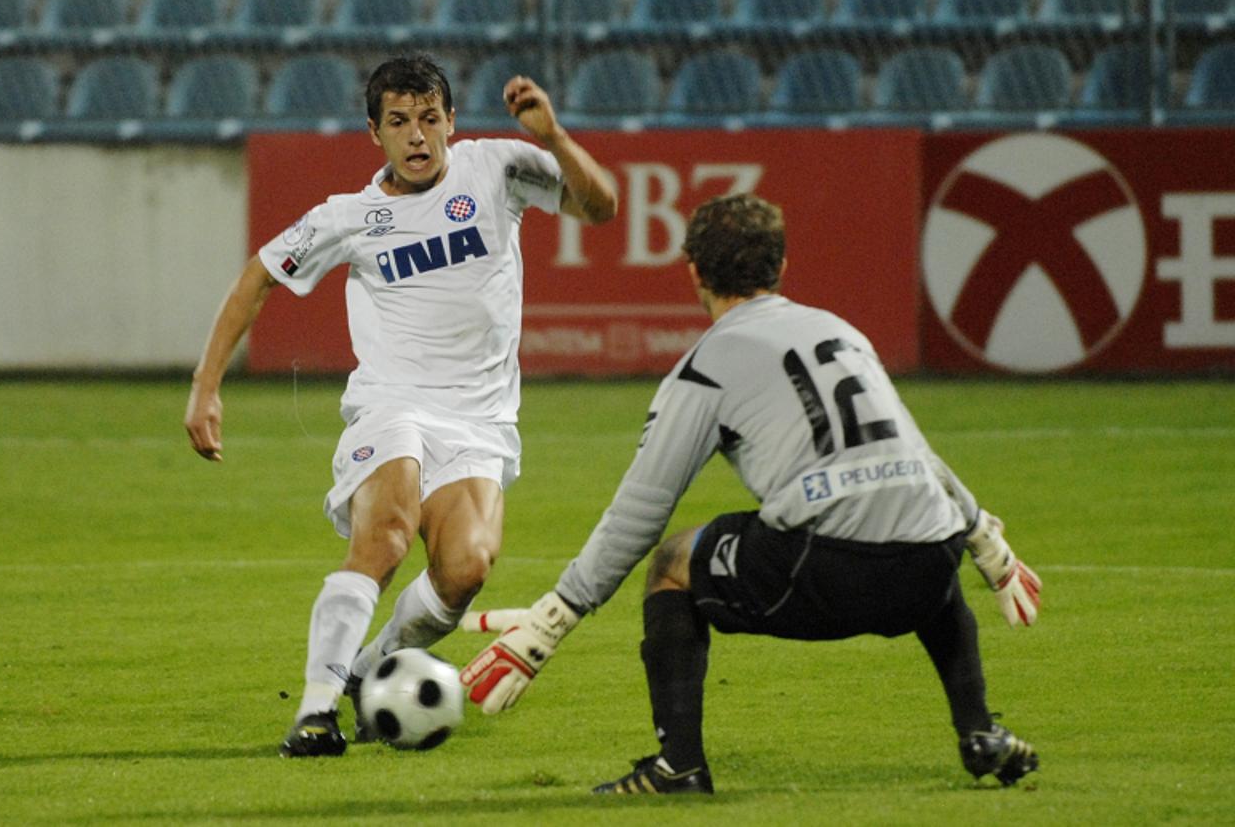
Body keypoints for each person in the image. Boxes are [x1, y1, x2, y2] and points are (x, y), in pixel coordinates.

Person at [460, 194, 1042, 793]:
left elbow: (641, 511)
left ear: (693, 271)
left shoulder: (705, 367)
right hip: (931, 562)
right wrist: (986, 542)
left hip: (830, 568)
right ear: (781, 266)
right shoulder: (841, 332)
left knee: (672, 563)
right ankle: (979, 732)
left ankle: (678, 765)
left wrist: (552, 620)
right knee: (914, 524)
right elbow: (916, 455)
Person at [184, 53, 617, 757]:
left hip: (479, 420)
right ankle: (316, 708)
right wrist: (206, 385)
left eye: (427, 118)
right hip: (393, 404)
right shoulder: (352, 216)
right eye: (398, 122)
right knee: (383, 539)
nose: (416, 136)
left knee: (466, 568)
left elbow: (601, 207)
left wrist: (557, 137)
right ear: (374, 133)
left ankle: (363, 670)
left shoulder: (498, 168)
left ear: (450, 121)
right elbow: (258, 276)